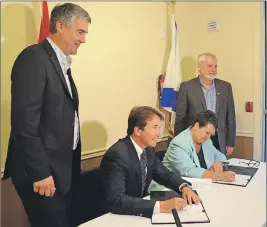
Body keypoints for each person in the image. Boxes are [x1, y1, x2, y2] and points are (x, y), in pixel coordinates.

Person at [3, 3, 91, 227]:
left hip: (63, 172)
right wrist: (40, 173)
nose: (83, 39)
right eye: (80, 32)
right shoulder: (33, 58)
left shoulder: (61, 63)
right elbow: (25, 124)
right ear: (61, 26)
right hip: (42, 173)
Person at [100, 106, 200, 218]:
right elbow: (117, 201)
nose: (159, 133)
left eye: (160, 128)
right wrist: (161, 206)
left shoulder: (148, 150)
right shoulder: (117, 155)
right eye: (155, 127)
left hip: (140, 204)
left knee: (178, 200)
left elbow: (165, 175)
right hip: (118, 215)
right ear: (137, 130)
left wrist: (184, 187)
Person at [174, 53, 236, 156]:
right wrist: (178, 142)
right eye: (209, 66)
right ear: (199, 67)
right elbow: (181, 118)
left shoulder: (225, 87)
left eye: (215, 66)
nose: (213, 69)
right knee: (198, 170)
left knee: (218, 169)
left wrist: (231, 142)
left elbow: (230, 116)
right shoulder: (187, 87)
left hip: (218, 140)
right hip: (195, 141)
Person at [164, 110, 236, 181]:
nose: (208, 137)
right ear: (196, 126)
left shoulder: (206, 140)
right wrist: (219, 176)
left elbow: (218, 155)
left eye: (211, 134)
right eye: (207, 133)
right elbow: (189, 171)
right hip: (174, 187)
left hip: (202, 185)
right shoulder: (179, 144)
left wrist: (219, 162)